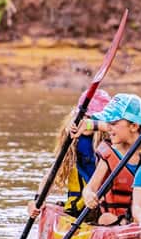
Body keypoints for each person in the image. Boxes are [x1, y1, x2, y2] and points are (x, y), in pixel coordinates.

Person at [27, 89, 111, 219]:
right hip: (85, 206)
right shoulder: (73, 141)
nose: (84, 121)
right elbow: (53, 174)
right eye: (82, 116)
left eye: (90, 118)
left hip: (108, 203)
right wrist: (38, 199)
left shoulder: (113, 139)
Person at [82, 93, 141, 225]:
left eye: (113, 123)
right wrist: (88, 195)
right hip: (117, 222)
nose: (108, 128)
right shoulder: (110, 154)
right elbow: (90, 188)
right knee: (105, 218)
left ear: (134, 126)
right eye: (108, 123)